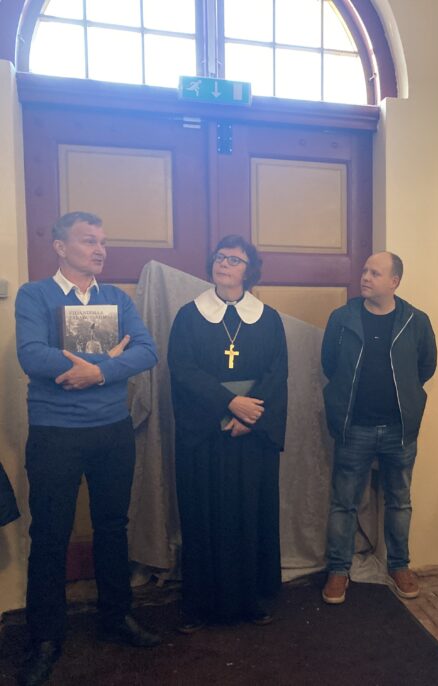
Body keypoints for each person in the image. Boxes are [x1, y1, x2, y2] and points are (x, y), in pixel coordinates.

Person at [14, 211, 160, 686]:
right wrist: (107, 359)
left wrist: (97, 372)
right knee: (50, 535)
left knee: (113, 527)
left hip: (112, 430)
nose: (99, 250)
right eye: (88, 241)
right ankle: (45, 638)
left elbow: (146, 350)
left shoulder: (116, 298)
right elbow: (31, 355)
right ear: (60, 247)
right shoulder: (34, 295)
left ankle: (116, 617)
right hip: (54, 433)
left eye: (103, 242)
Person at [168, 235, 287, 632]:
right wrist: (229, 404)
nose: (224, 264)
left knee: (249, 515)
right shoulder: (189, 316)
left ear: (249, 271)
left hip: (250, 436)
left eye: (235, 260)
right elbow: (182, 370)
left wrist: (250, 416)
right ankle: (201, 605)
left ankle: (249, 600)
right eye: (220, 257)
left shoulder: (268, 318)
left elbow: (277, 373)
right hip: (205, 435)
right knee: (203, 516)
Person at [320, 251, 437, 604]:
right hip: (354, 426)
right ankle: (338, 570)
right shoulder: (342, 318)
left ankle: (399, 566)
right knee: (344, 503)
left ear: (394, 281)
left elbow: (426, 367)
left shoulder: (416, 321)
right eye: (365, 270)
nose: (365, 277)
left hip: (399, 430)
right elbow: (329, 364)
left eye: (375, 273)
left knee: (399, 501)